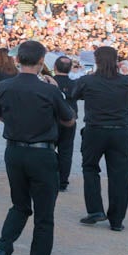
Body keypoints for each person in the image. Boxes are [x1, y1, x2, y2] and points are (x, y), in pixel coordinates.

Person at [0, 40, 76, 255]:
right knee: (44, 215)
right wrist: (56, 91)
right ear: (41, 63)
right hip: (42, 154)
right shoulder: (49, 90)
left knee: (19, 205)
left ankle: (3, 249)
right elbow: (69, 120)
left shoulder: (5, 87)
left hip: (14, 152)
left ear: (18, 60)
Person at [72, 45, 128, 232]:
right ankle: (117, 220)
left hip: (95, 130)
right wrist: (126, 73)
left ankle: (95, 210)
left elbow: (74, 94)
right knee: (119, 175)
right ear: (117, 61)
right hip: (121, 132)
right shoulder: (127, 81)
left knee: (90, 168)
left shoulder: (87, 80)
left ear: (97, 61)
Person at [52, 55, 78, 192]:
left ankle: (48, 176)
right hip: (69, 120)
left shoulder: (49, 82)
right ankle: (63, 181)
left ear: (55, 67)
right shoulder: (75, 84)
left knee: (48, 148)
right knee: (66, 151)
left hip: (52, 120)